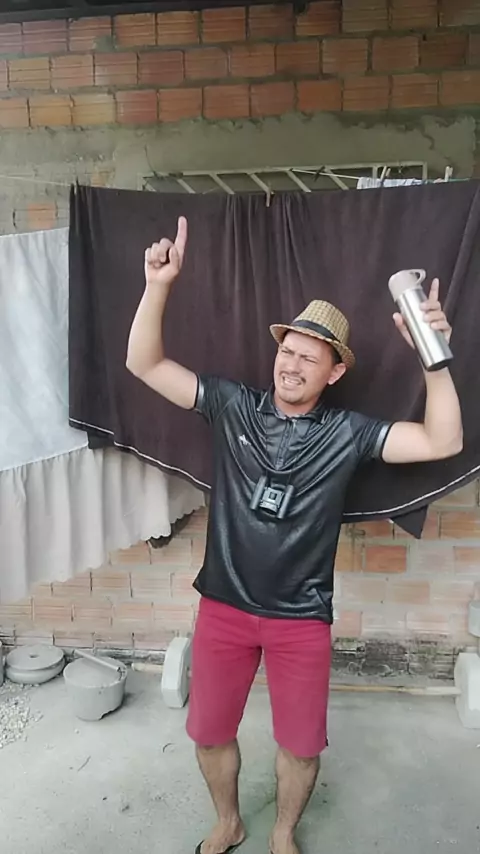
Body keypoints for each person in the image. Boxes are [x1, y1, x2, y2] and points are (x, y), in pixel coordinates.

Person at [126, 216, 463, 854]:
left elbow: (443, 441)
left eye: (311, 357)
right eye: (288, 350)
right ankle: (228, 821)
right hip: (223, 606)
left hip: (301, 618)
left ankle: (283, 833)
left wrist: (433, 355)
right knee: (209, 734)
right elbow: (143, 363)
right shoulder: (232, 405)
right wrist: (157, 285)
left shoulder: (349, 434)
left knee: (302, 747)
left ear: (334, 373)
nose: (293, 363)